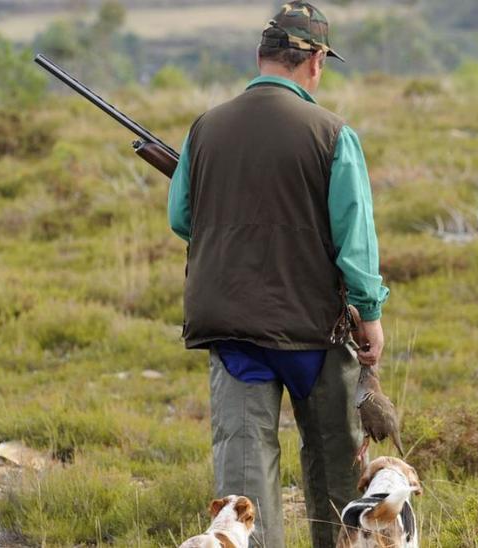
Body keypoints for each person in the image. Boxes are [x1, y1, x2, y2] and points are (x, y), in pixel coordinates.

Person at [166, 2, 389, 547]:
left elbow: (182, 219)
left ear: (261, 56)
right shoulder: (333, 134)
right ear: (314, 61)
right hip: (313, 331)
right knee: (335, 469)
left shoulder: (205, 128)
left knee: (243, 481)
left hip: (233, 329)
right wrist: (371, 314)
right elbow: (355, 243)